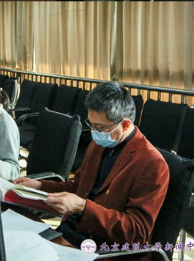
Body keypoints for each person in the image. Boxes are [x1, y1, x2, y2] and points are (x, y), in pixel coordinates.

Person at [13, 82, 168, 256]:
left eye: (99, 127)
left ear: (125, 124)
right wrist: (40, 186)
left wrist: (83, 207)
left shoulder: (151, 163)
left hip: (104, 248)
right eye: (91, 124)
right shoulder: (99, 145)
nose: (94, 131)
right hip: (72, 231)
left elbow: (136, 232)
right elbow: (78, 187)